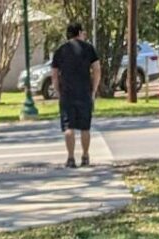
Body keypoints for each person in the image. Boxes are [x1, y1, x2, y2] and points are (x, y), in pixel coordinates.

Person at [50, 22, 101, 169]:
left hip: (67, 93)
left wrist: (58, 91)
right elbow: (97, 69)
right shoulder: (89, 48)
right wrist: (94, 89)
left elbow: (54, 74)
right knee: (85, 127)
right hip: (84, 92)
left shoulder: (60, 50)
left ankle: (71, 158)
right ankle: (85, 156)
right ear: (79, 32)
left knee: (69, 127)